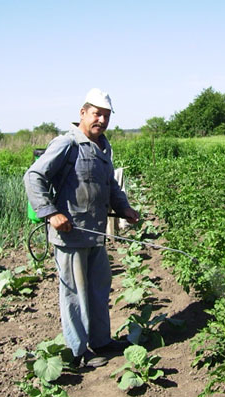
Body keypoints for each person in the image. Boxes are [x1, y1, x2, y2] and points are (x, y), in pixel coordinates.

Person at [24, 88, 139, 368]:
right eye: (97, 113)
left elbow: (110, 183)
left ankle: (101, 341)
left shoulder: (103, 146)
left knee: (99, 290)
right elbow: (34, 176)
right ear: (83, 113)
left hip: (96, 234)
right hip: (71, 235)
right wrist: (51, 213)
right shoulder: (67, 143)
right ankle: (78, 352)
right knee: (75, 295)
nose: (101, 119)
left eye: (106, 116)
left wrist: (123, 207)